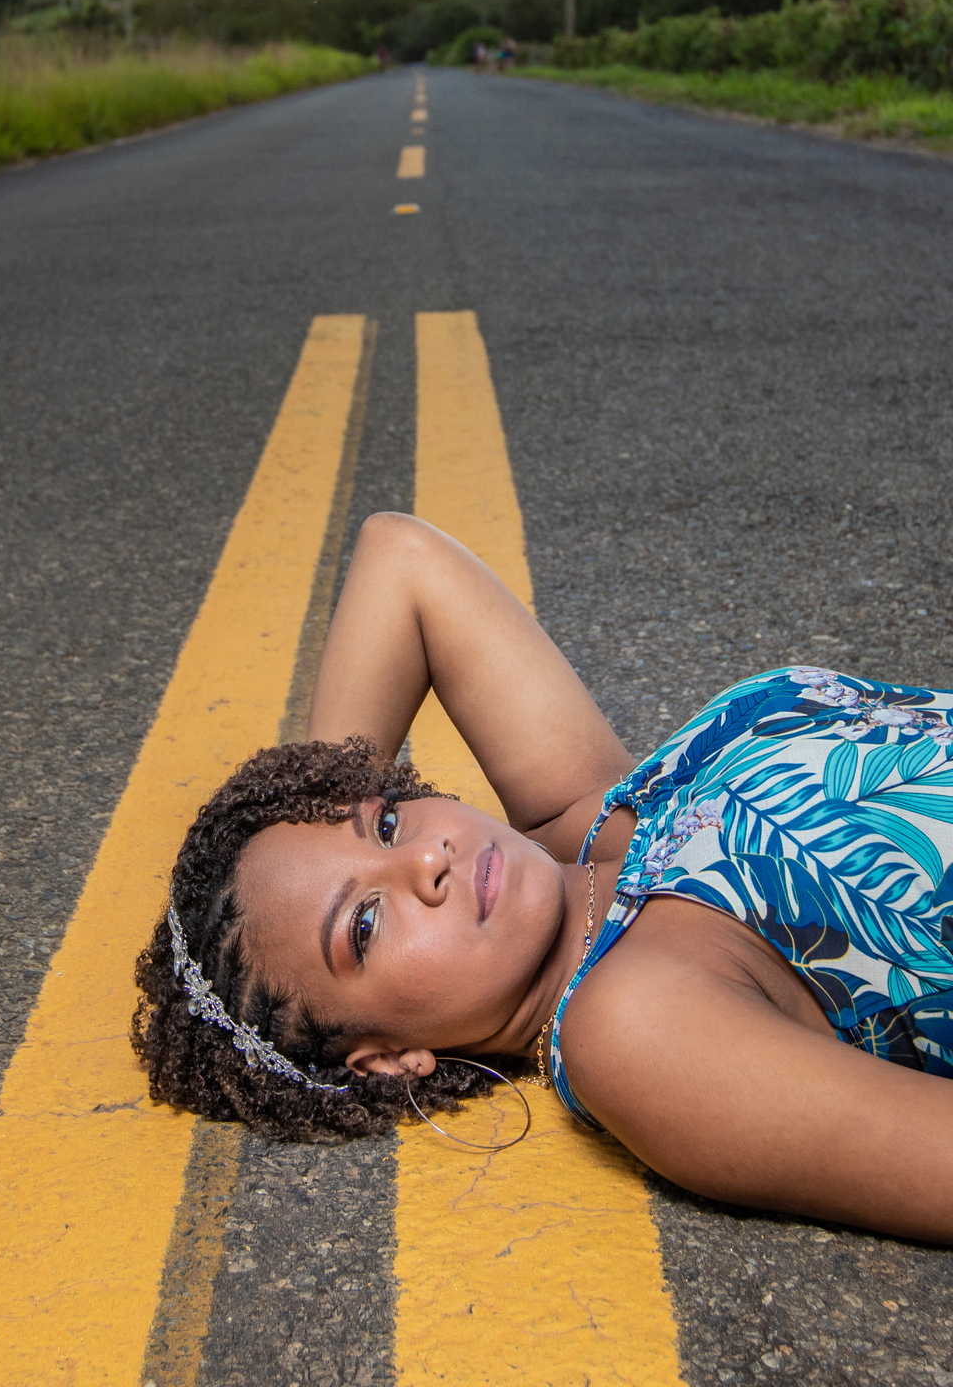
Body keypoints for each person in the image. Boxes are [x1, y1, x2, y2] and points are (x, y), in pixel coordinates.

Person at [132, 514, 953, 1242]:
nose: (426, 860)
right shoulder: (633, 1030)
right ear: (384, 1058)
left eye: (383, 821)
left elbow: (402, 558)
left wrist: (316, 794)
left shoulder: (590, 814)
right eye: (366, 926)